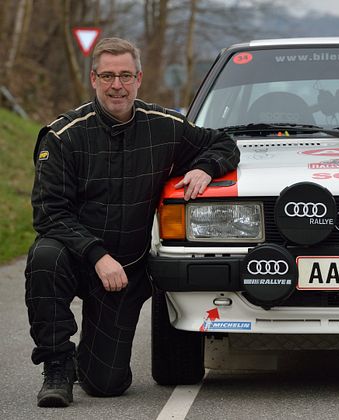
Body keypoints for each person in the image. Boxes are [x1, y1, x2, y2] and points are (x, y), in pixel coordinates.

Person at [25, 37, 239, 407]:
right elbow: (49, 213)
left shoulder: (164, 126)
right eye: (107, 76)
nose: (117, 85)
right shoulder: (64, 136)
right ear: (93, 79)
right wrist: (96, 255)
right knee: (45, 257)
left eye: (125, 75)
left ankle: (86, 362)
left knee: (106, 384)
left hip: (126, 272)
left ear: (139, 78)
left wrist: (205, 167)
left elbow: (223, 143)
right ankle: (57, 366)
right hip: (78, 259)